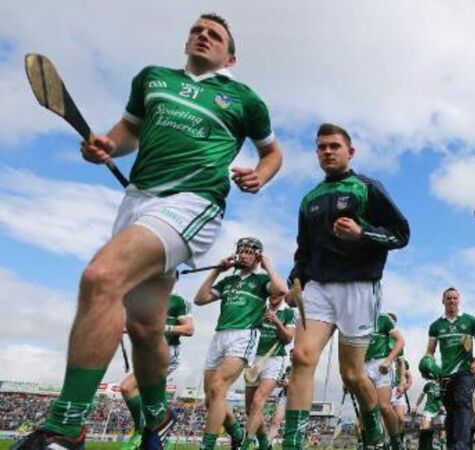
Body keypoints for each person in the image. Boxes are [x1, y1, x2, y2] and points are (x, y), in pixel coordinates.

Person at [12, 13, 283, 450]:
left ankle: (66, 426)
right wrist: (107, 145)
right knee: (143, 326)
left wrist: (261, 175)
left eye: (214, 35)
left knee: (102, 277)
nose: (203, 36)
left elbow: (272, 153)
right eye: (197, 30)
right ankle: (158, 415)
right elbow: (128, 132)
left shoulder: (244, 99)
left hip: (193, 202)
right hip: (137, 200)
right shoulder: (153, 79)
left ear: (230, 57)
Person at [282, 123, 410, 449]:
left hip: (359, 287)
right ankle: (292, 444)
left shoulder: (367, 187)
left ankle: (372, 425)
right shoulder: (309, 199)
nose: (327, 151)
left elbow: (401, 235)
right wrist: (295, 280)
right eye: (321, 147)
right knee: (301, 356)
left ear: (349, 152)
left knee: (352, 375)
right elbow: (303, 251)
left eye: (334, 146)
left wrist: (361, 234)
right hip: (318, 287)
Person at [194, 237, 288, 450]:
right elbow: (200, 299)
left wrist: (268, 265)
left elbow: (281, 290)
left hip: (243, 335)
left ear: (257, 256)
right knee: (211, 398)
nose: (244, 254)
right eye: (241, 250)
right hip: (220, 336)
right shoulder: (228, 281)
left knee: (218, 388)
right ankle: (236, 431)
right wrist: (217, 271)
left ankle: (207, 445)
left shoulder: (261, 280)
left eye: (249, 251)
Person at [120, 293, 194, 450]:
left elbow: (189, 329)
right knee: (148, 397)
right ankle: (164, 424)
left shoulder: (177, 301)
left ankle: (140, 431)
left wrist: (161, 328)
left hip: (167, 352)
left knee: (127, 387)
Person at [426, 287, 475, 450]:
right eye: (449, 298)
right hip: (445, 375)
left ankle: (461, 446)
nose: (452, 301)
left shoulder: (469, 321)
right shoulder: (436, 325)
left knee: (462, 404)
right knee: (451, 410)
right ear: (443, 300)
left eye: (454, 298)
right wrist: (428, 366)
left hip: (465, 372)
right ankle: (452, 445)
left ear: (459, 300)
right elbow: (430, 351)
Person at [242, 293, 296, 450]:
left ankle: (245, 444)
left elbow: (288, 339)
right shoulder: (259, 307)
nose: (273, 295)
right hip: (254, 358)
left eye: (277, 292)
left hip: (274, 359)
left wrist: (277, 322)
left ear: (282, 294)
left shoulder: (289, 312)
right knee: (250, 409)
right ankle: (265, 443)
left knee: (258, 402)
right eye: (271, 292)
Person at [364, 312, 406, 449]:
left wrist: (388, 361)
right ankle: (374, 442)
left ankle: (396, 441)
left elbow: (401, 357)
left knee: (384, 407)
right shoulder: (357, 318)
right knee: (368, 409)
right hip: (363, 365)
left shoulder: (383, 320)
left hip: (381, 366)